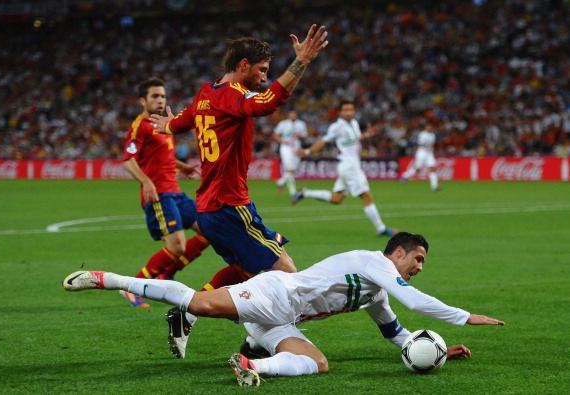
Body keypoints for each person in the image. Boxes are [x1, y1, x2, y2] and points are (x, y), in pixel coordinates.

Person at [63, 231, 505, 387]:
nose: (420, 267)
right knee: (197, 301)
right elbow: (412, 298)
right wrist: (465, 316)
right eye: (418, 259)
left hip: (281, 319)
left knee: (317, 362)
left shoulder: (376, 292)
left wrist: (440, 350)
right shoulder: (373, 262)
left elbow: (397, 335)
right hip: (276, 294)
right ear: (397, 253)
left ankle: (252, 365)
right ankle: (107, 279)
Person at [147, 25, 329, 357]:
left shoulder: (206, 93)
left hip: (211, 208)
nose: (264, 76)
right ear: (243, 65)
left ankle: (194, 316)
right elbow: (267, 103)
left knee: (251, 272)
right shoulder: (232, 94)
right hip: (230, 205)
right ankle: (261, 342)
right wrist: (301, 61)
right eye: (261, 70)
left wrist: (167, 125)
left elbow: (184, 120)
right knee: (289, 278)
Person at [121, 77, 209, 308]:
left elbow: (164, 157)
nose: (160, 100)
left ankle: (166, 275)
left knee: (209, 230)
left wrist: (183, 167)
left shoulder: (162, 125)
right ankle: (132, 286)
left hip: (175, 192)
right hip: (159, 195)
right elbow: (128, 160)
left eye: (163, 96)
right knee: (177, 246)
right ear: (143, 100)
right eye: (155, 96)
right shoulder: (140, 125)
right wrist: (146, 182)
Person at [293, 100, 397, 237]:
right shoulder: (337, 127)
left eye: (351, 109)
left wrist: (367, 135)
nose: (349, 112)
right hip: (349, 166)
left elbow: (356, 139)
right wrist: (307, 151)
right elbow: (323, 141)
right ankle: (381, 228)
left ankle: (305, 193)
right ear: (340, 112)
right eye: (346, 110)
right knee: (366, 195)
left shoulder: (354, 123)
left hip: (351, 165)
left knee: (337, 199)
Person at [273, 109, 308, 198]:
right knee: (290, 169)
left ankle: (280, 182)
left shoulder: (301, 124)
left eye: (294, 114)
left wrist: (301, 136)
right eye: (291, 114)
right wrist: (281, 141)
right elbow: (275, 134)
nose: (293, 115)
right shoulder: (283, 124)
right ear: (288, 115)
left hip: (297, 147)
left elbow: (305, 135)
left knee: (293, 169)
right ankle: (293, 192)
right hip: (286, 148)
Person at [400, 122, 441, 191]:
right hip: (422, 152)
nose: (430, 128)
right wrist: (428, 146)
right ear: (426, 128)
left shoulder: (433, 135)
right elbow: (420, 144)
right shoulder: (423, 134)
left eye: (431, 127)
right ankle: (405, 176)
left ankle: (434, 186)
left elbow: (433, 144)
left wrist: (433, 150)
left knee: (433, 168)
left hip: (429, 153)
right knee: (417, 169)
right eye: (428, 126)